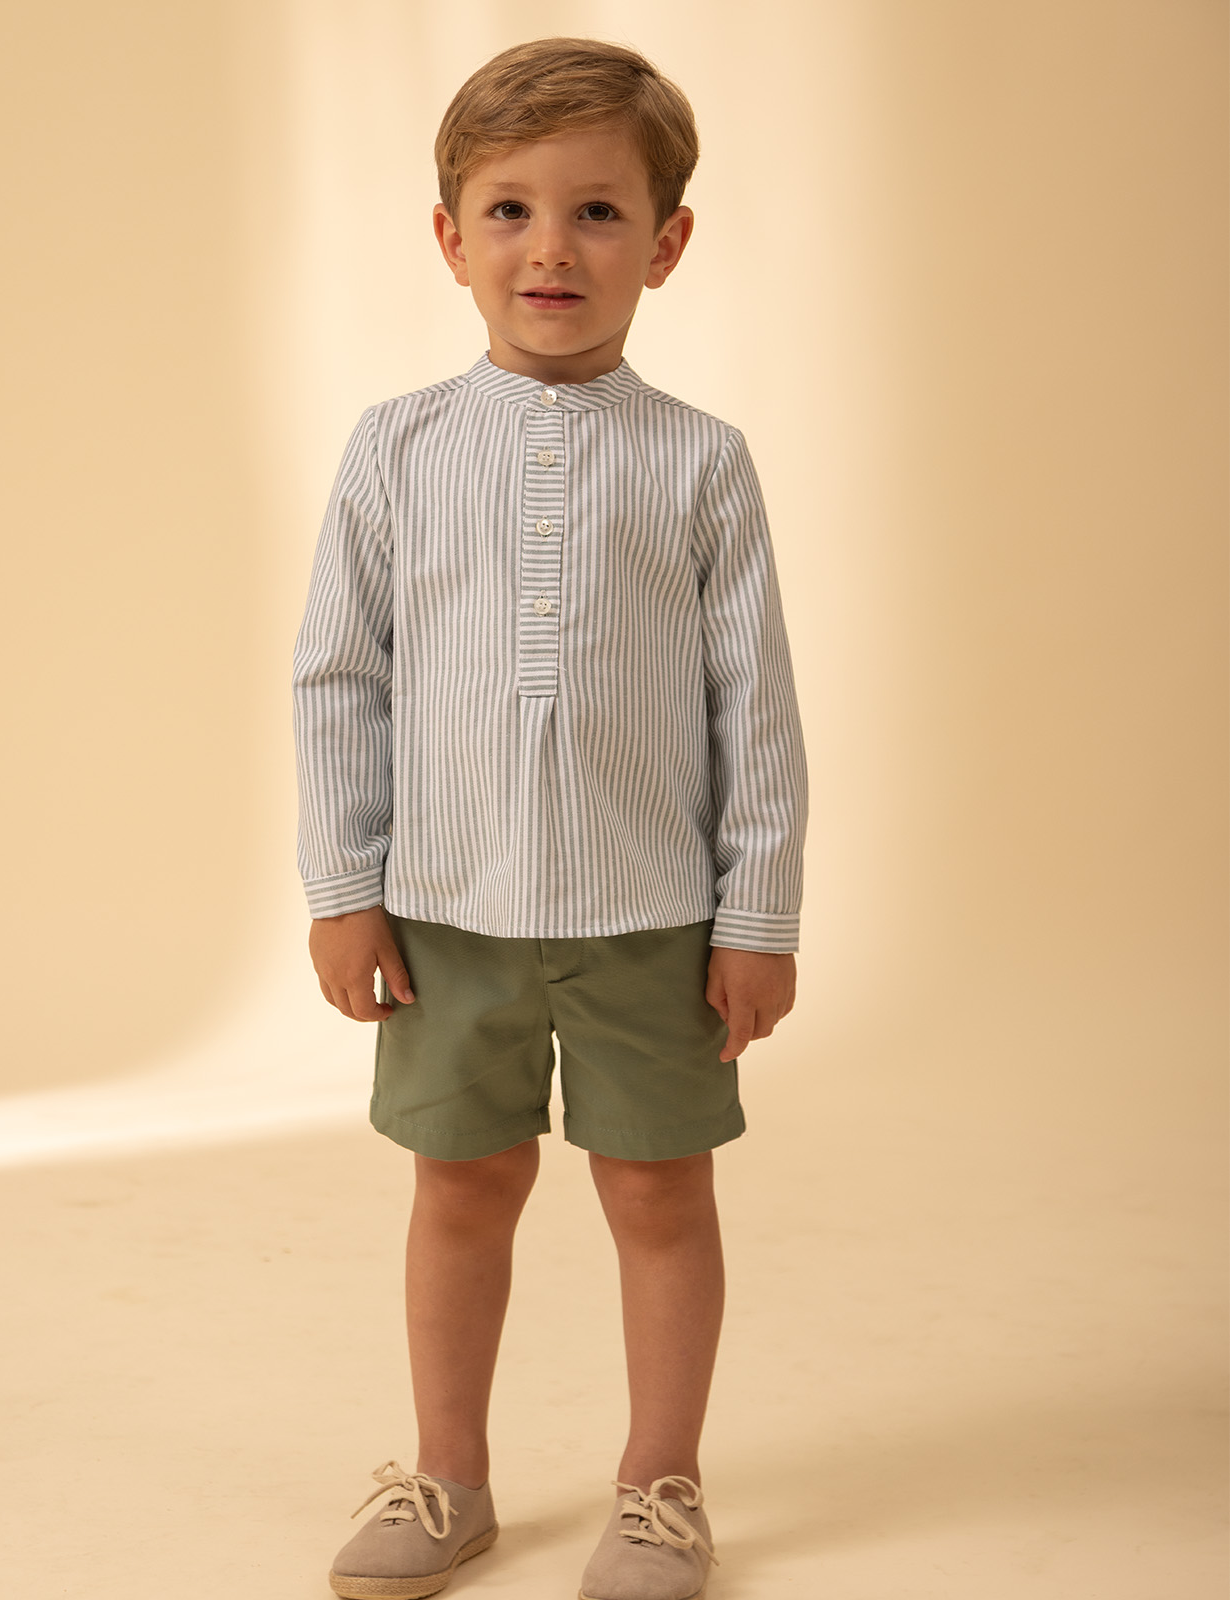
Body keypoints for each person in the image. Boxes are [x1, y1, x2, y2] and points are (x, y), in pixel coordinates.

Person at [292, 35, 808, 1600]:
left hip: (653, 914)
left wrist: (756, 918)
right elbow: (338, 678)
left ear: (666, 241)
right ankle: (448, 1478)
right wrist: (342, 886)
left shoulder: (701, 464)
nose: (550, 249)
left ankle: (659, 1488)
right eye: (508, 210)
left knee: (657, 1192)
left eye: (596, 211)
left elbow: (754, 709)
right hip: (446, 914)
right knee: (462, 1188)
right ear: (448, 238)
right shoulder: (393, 449)